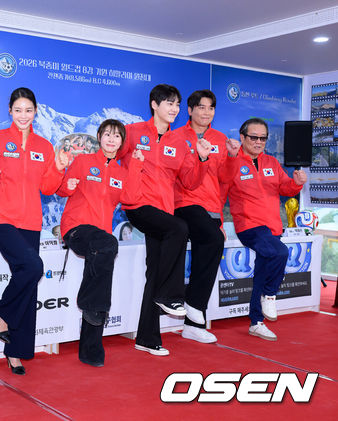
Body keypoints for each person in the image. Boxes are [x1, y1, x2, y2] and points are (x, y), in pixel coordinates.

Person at [0, 87, 69, 374]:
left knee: (27, 280)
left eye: (28, 110)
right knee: (33, 267)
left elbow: (47, 188)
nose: (23, 115)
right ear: (10, 111)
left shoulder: (44, 146)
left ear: (36, 112)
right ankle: (2, 311)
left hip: (31, 221)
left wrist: (59, 167)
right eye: (18, 110)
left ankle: (15, 352)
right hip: (1, 218)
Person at [116, 84, 211, 356]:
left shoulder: (180, 142)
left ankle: (147, 338)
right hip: (137, 204)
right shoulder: (133, 132)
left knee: (155, 270)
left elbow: (190, 182)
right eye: (169, 103)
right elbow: (112, 154)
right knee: (180, 228)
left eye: (177, 104)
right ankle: (170, 295)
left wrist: (201, 158)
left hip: (163, 211)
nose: (174, 109)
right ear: (154, 105)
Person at [57, 119, 144, 367]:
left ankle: (90, 350)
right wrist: (67, 184)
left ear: (122, 142)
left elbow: (131, 198)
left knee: (100, 273)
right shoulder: (83, 162)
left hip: (101, 240)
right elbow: (62, 189)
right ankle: (90, 307)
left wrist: (136, 166)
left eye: (117, 136)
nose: (111, 139)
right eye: (107, 134)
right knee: (107, 245)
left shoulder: (121, 172)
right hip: (76, 229)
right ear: (99, 137)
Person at [220, 118, 306, 341]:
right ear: (242, 137)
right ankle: (270, 295)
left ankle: (256, 323)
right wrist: (217, 223)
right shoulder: (232, 162)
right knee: (280, 252)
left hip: (271, 227)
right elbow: (220, 195)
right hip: (249, 226)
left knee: (262, 271)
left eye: (263, 138)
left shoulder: (271, 162)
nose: (258, 142)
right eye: (253, 137)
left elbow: (285, 188)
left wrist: (296, 183)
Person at [172, 90, 241, 344]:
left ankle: (192, 325)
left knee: (210, 246)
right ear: (190, 110)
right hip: (183, 202)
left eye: (211, 108)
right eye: (201, 107)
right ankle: (193, 305)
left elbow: (225, 179)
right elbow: (181, 178)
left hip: (210, 208)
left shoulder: (220, 139)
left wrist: (232, 157)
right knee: (213, 240)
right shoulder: (176, 137)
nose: (206, 112)